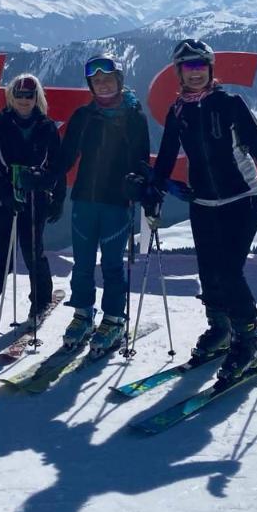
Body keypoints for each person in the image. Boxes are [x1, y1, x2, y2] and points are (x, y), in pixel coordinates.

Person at [150, 38, 257, 379]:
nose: (195, 74)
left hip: (241, 200)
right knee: (209, 271)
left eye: (200, 67)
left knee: (229, 272)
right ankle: (221, 329)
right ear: (179, 73)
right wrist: (154, 189)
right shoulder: (178, 111)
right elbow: (167, 155)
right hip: (203, 204)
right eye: (188, 68)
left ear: (210, 70)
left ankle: (248, 340)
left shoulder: (229, 103)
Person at [53, 55, 150, 356]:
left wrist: (139, 182)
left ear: (119, 81)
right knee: (81, 263)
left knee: (111, 264)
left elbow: (142, 160)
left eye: (107, 79)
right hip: (84, 199)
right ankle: (82, 312)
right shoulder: (84, 116)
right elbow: (66, 156)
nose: (103, 84)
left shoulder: (134, 116)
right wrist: (44, 177)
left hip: (116, 203)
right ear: (90, 85)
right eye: (96, 81)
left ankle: (113, 318)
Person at [0, 74, 62, 351]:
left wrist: (56, 196)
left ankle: (42, 299)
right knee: (4, 253)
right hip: (2, 197)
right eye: (19, 95)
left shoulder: (46, 127)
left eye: (29, 96)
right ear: (11, 96)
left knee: (33, 248)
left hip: (35, 196)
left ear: (37, 98)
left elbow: (57, 166)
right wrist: (3, 191)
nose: (24, 100)